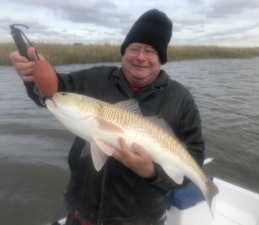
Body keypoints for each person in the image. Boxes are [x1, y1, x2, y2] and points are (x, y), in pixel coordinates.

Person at [10, 9, 205, 225]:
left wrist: (150, 172)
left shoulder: (181, 99)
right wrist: (34, 74)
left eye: (150, 50)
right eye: (134, 48)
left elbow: (193, 162)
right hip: (81, 211)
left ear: (161, 57)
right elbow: (52, 92)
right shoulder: (96, 78)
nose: (141, 57)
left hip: (140, 219)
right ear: (124, 52)